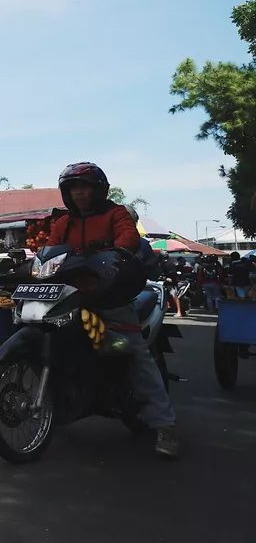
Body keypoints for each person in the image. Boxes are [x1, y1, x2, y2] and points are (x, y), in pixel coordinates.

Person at [47, 162, 179, 460]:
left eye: (84, 187)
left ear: (97, 190)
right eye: (73, 189)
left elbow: (128, 237)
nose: (79, 193)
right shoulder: (64, 222)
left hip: (111, 295)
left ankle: (165, 425)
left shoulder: (115, 213)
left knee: (134, 353)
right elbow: (50, 248)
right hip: (72, 294)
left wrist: (116, 253)